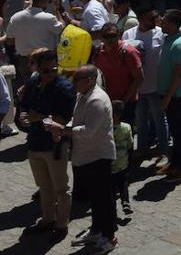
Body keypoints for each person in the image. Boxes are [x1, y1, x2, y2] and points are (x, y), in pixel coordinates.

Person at [51, 65, 117, 253]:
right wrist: (62, 129)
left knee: (104, 199)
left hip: (98, 156)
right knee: (95, 199)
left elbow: (88, 130)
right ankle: (97, 230)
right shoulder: (83, 95)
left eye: (76, 80)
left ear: (89, 80)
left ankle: (110, 236)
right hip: (85, 156)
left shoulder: (97, 100)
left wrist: (64, 131)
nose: (73, 83)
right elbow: (76, 119)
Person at [18, 48, 75, 241]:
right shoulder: (33, 82)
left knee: (61, 188)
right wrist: (24, 116)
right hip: (35, 143)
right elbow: (25, 105)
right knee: (44, 186)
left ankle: (61, 224)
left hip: (54, 145)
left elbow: (61, 119)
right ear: (38, 69)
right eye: (46, 70)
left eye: (54, 69)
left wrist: (37, 117)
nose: (50, 74)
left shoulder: (64, 87)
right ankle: (47, 219)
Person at [122, 7, 169, 164]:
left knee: (159, 120)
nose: (155, 21)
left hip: (156, 86)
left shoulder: (161, 33)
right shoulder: (128, 34)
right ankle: (142, 149)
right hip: (138, 87)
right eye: (152, 18)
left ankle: (163, 151)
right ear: (142, 19)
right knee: (141, 121)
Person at [157, 8, 181, 183]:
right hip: (169, 95)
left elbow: (178, 75)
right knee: (175, 132)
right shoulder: (168, 39)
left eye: (163, 20)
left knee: (179, 134)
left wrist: (167, 98)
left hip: (177, 96)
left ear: (171, 23)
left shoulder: (179, 44)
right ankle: (174, 163)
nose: (160, 22)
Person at [6, 0, 62, 85]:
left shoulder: (15, 17)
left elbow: (10, 40)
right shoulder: (49, 18)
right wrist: (56, 9)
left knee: (26, 90)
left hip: (24, 61)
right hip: (45, 61)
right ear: (43, 0)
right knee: (46, 89)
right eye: (48, 1)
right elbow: (62, 29)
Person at [111, 101, 133, 217]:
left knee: (111, 188)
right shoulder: (126, 127)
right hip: (123, 163)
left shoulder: (106, 128)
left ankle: (112, 209)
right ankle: (125, 202)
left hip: (110, 165)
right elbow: (130, 145)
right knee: (123, 184)